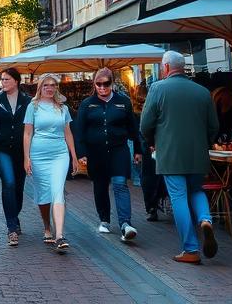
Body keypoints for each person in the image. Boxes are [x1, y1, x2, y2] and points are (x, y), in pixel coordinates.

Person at [140, 50, 220, 264]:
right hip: (197, 154)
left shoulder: (157, 89)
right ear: (182, 67)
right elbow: (214, 126)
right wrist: (205, 142)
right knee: (196, 190)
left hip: (170, 154)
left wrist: (152, 141)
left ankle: (191, 249)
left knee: (178, 198)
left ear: (166, 68)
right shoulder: (203, 92)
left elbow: (145, 125)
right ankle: (205, 220)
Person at [74, 68, 142, 243]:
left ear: (112, 83)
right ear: (94, 84)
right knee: (100, 185)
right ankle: (104, 218)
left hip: (119, 150)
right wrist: (81, 154)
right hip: (96, 152)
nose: (102, 87)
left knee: (120, 184)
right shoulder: (87, 104)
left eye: (106, 84)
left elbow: (133, 128)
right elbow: (79, 131)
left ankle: (126, 224)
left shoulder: (123, 102)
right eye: (99, 84)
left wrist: (138, 150)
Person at [23, 73, 79, 254]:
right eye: (46, 85)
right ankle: (47, 226)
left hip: (59, 154)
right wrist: (26, 158)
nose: (49, 88)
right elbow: (27, 134)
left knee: (57, 192)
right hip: (39, 154)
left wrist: (74, 156)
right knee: (43, 194)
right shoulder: (33, 107)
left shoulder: (63, 108)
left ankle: (60, 235)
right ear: (40, 88)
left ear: (56, 88)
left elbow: (68, 132)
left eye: (52, 85)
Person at [0, 67, 31, 245]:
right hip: (0, 149)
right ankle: (11, 227)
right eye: (2, 79)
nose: (3, 82)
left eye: (7, 79)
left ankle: (14, 216)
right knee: (8, 182)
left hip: (20, 149)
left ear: (16, 81)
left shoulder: (27, 102)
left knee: (18, 187)